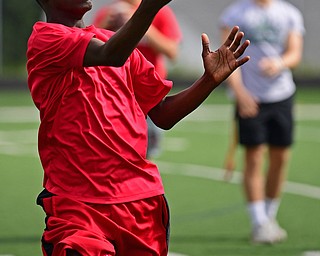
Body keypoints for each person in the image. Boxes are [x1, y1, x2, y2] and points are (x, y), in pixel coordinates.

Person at [28, 0, 250, 255]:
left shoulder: (116, 43)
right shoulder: (46, 38)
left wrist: (208, 81)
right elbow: (109, 55)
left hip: (140, 201)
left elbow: (163, 114)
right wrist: (150, 7)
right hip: (78, 205)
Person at [220, 0, 304, 244]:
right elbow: (227, 58)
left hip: (281, 95)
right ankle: (258, 222)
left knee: (280, 158)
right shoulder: (235, 13)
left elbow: (294, 53)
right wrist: (240, 94)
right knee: (254, 157)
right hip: (250, 97)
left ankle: (269, 217)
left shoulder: (289, 13)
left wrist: (280, 63)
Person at [93, 0, 182, 159]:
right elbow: (90, 45)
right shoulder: (111, 12)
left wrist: (140, 23)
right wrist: (106, 24)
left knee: (143, 153)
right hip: (113, 92)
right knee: (109, 151)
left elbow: (172, 51)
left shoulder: (159, 11)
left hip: (147, 94)